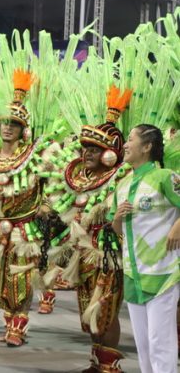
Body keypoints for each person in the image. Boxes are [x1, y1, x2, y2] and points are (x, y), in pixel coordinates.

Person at [0, 70, 61, 347]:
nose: (9, 128)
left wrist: (46, 206)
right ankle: (9, 321)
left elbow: (52, 185)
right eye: (5, 123)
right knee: (2, 278)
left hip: (25, 227)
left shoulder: (36, 155)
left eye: (15, 125)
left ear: (24, 130)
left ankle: (19, 325)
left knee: (21, 277)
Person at [50, 85, 132, 372]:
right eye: (85, 148)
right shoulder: (80, 179)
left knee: (105, 311)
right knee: (88, 310)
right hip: (82, 253)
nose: (87, 153)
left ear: (110, 154)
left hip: (109, 254)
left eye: (95, 149)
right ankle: (97, 362)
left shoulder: (123, 178)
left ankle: (109, 366)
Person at [111, 124, 180, 373]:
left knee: (160, 342)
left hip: (162, 273)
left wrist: (176, 228)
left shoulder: (165, 177)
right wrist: (117, 218)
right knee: (143, 344)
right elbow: (117, 229)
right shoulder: (122, 184)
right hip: (133, 274)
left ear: (147, 146)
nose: (125, 145)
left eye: (130, 139)